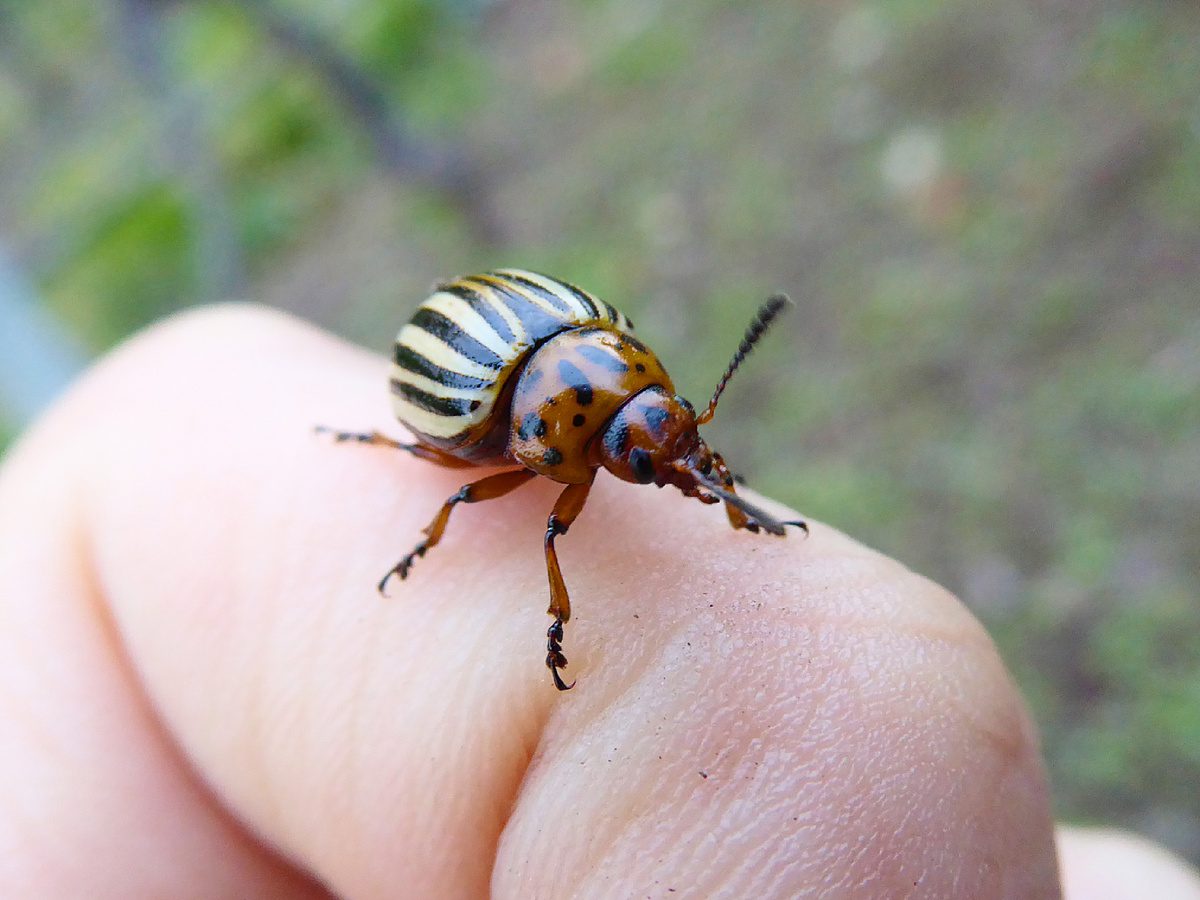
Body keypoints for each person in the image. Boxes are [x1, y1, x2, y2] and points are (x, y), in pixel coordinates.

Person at [1, 305, 1196, 899]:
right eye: (651, 456)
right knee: (472, 504)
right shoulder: (524, 452)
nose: (672, 465)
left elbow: (662, 443)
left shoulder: (617, 397)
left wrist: (708, 483)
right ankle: (405, 481)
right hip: (480, 374)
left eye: (671, 444)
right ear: (571, 442)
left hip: (557, 348)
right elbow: (500, 483)